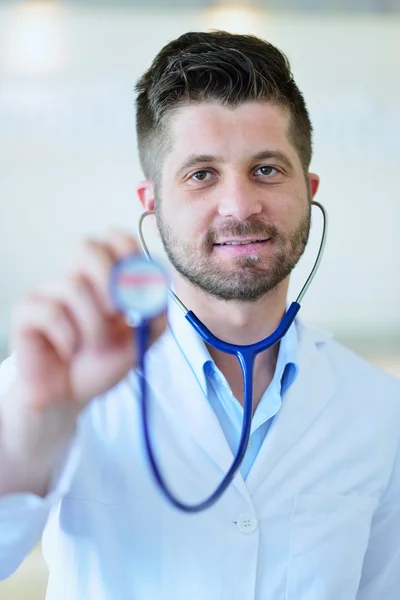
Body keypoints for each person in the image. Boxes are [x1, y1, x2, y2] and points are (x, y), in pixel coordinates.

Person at [0, 30, 399, 600]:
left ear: (308, 191)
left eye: (266, 169)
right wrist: (30, 426)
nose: (239, 205)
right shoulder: (54, 387)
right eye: (201, 174)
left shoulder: (380, 414)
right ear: (153, 203)